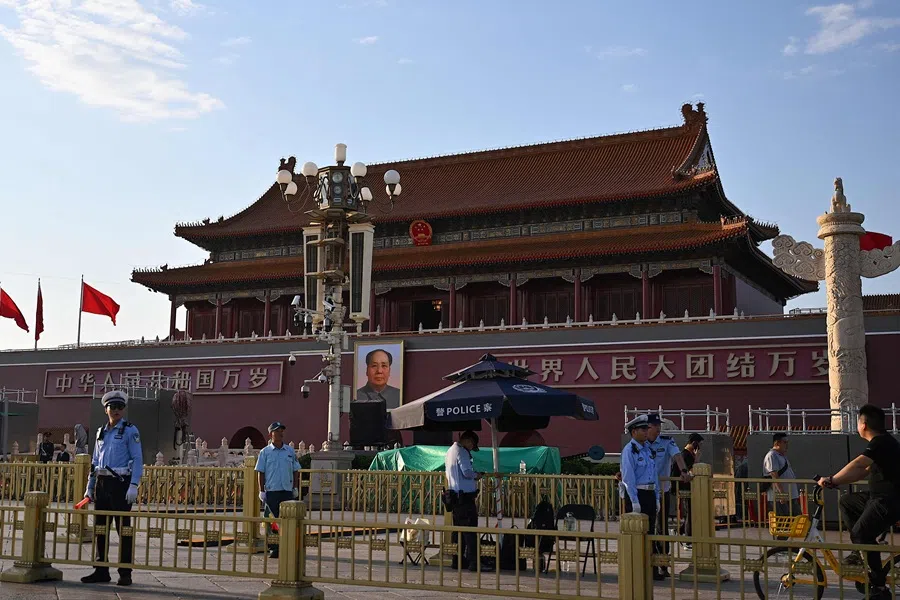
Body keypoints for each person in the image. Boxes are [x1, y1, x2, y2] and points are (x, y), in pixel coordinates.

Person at [818, 404, 900, 599]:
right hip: (877, 498)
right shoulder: (883, 443)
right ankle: (861, 549)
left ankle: (879, 587)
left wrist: (831, 479)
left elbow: (858, 463)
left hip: (888, 501)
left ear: (863, 424)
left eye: (857, 422)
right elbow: (860, 473)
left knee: (860, 533)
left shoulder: (880, 443)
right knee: (847, 501)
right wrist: (834, 482)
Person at [81, 391, 143, 586]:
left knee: (123, 529)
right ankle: (101, 570)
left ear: (123, 409)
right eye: (112, 407)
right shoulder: (101, 432)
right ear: (105, 408)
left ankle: (125, 573)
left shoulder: (130, 430)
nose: (116, 410)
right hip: (102, 483)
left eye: (119, 407)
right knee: (101, 528)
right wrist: (89, 487)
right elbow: (95, 461)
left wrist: (133, 484)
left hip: (120, 483)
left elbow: (138, 458)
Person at [646, 414, 690, 579]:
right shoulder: (640, 443)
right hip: (645, 491)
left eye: (658, 425)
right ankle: (649, 566)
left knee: (662, 529)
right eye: (654, 425)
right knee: (647, 528)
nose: (657, 428)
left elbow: (677, 456)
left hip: (661, 491)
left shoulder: (666, 440)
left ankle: (663, 565)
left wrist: (684, 471)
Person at [620, 415, 661, 578]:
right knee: (637, 535)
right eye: (643, 429)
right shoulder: (630, 450)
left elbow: (654, 475)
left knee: (651, 532)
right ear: (634, 431)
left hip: (650, 493)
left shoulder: (648, 449)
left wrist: (657, 497)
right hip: (638, 494)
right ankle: (637, 570)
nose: (647, 432)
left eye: (647, 429)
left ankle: (651, 569)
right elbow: (628, 478)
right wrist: (634, 500)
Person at [255, 421, 300, 559]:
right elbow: (260, 472)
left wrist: (295, 487)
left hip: (286, 490)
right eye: (277, 431)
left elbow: (295, 470)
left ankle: (288, 546)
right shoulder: (265, 452)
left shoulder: (290, 451)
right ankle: (274, 548)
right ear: (271, 434)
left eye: (282, 430)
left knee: (288, 520)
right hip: (272, 490)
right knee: (273, 522)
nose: (280, 433)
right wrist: (261, 490)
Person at [445, 430, 482, 571]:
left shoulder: (450, 451)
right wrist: (477, 475)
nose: (472, 448)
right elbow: (467, 472)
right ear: (468, 440)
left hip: (454, 497)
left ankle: (457, 561)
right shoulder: (462, 452)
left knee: (457, 532)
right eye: (472, 445)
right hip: (465, 498)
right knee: (469, 531)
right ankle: (474, 562)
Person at [672, 433, 703, 547]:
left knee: (691, 511)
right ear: (694, 443)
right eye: (699, 443)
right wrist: (697, 459)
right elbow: (690, 471)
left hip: (688, 488)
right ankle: (688, 539)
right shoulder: (685, 455)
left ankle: (680, 531)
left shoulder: (688, 454)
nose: (700, 446)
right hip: (685, 488)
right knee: (690, 512)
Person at [763, 433, 801, 518]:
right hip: (780, 497)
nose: (787, 445)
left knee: (796, 520)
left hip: (790, 495)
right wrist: (782, 494)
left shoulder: (782, 456)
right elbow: (774, 475)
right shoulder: (772, 455)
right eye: (785, 442)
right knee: (784, 522)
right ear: (777, 443)